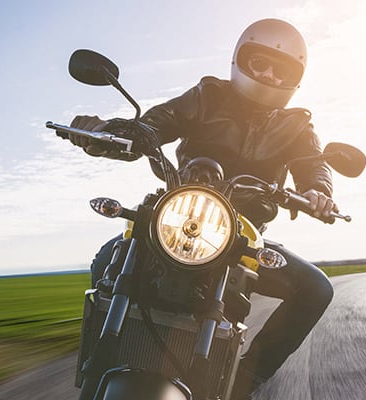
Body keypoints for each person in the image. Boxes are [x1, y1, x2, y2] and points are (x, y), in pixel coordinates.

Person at [70, 18, 338, 399]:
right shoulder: (207, 95)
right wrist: (108, 133)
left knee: (316, 289)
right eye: (259, 62)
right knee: (106, 259)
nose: (268, 74)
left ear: (294, 78)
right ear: (240, 61)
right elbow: (155, 124)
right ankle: (101, 358)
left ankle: (247, 379)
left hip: (243, 233)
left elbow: (314, 164)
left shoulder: (297, 127)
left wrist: (317, 191)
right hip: (177, 216)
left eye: (281, 70)